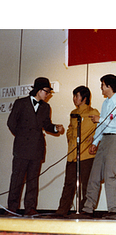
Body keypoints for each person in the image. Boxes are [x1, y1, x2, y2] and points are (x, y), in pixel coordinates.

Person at [7, 77, 64, 216]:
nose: (48, 94)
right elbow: (11, 123)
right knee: (17, 179)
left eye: (49, 92)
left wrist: (55, 128)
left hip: (37, 148)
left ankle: (30, 208)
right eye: (46, 91)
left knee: (33, 180)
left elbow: (47, 125)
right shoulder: (20, 103)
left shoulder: (46, 107)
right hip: (22, 148)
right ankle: (12, 207)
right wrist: (22, 137)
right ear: (38, 90)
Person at [81, 74, 116, 217]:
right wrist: (95, 142)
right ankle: (88, 208)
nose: (101, 88)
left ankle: (113, 210)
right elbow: (100, 126)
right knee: (95, 175)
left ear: (109, 86)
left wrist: (101, 119)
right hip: (104, 140)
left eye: (102, 85)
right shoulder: (105, 103)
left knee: (110, 175)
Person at [55, 86, 100, 216]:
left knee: (86, 184)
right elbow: (70, 129)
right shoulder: (73, 113)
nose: (74, 99)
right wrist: (69, 137)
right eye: (73, 96)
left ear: (84, 98)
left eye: (77, 96)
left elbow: (100, 128)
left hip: (86, 154)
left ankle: (84, 210)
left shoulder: (93, 111)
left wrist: (94, 139)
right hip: (72, 154)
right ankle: (62, 210)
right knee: (69, 183)